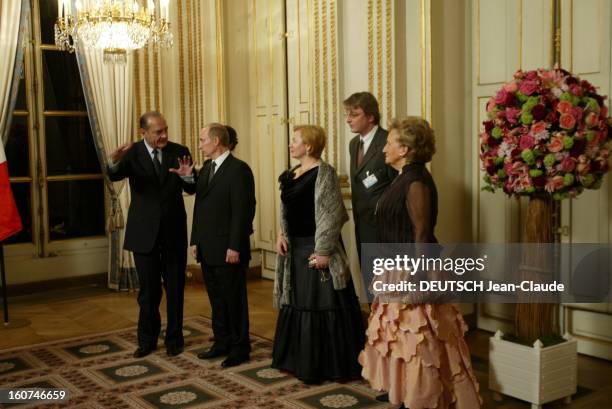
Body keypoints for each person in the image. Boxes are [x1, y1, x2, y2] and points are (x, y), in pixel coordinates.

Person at [359, 117, 481, 408]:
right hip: (395, 267)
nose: (384, 147)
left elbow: (422, 232)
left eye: (389, 142)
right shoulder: (403, 176)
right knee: (399, 338)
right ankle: (402, 392)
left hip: (414, 268)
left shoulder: (416, 181)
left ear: (404, 149)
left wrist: (418, 278)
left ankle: (422, 397)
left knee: (421, 341)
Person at [272, 125, 365, 384]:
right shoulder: (292, 173)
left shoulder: (324, 173)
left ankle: (326, 366)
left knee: (320, 304)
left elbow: (331, 215)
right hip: (295, 248)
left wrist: (323, 251)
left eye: (295, 141)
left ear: (309, 146)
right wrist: (281, 233)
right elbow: (286, 210)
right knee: (297, 301)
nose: (291, 145)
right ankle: (297, 360)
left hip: (317, 248)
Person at [107, 111, 196, 358]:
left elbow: (192, 186)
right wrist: (113, 160)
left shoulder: (179, 150)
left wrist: (188, 175)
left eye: (165, 129)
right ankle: (146, 340)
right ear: (143, 133)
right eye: (158, 132)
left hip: (173, 231)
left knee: (175, 288)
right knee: (149, 291)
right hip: (143, 232)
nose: (164, 135)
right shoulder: (132, 153)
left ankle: (174, 340)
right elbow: (114, 175)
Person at [190, 122, 256, 368]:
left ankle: (240, 348)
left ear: (216, 141)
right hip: (207, 247)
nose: (199, 144)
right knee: (216, 299)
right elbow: (200, 206)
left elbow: (243, 211)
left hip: (229, 249)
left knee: (233, 300)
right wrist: (195, 239)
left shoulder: (239, 170)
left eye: (202, 140)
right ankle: (221, 342)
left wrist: (235, 246)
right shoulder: (207, 168)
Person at [344, 92, 397, 259]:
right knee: (369, 282)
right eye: (347, 114)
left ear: (370, 117)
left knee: (385, 283)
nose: (348, 119)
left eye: (354, 114)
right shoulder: (354, 144)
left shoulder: (388, 141)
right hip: (361, 227)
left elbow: (398, 187)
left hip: (385, 231)